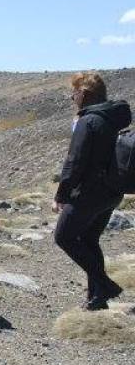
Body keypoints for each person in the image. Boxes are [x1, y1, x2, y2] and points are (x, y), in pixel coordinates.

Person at [53, 72, 130, 311]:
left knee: (63, 237)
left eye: (74, 93)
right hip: (112, 192)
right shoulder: (111, 118)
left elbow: (75, 162)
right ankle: (96, 298)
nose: (72, 98)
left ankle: (105, 285)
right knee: (88, 239)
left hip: (89, 194)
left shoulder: (88, 121)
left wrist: (61, 196)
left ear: (84, 94)